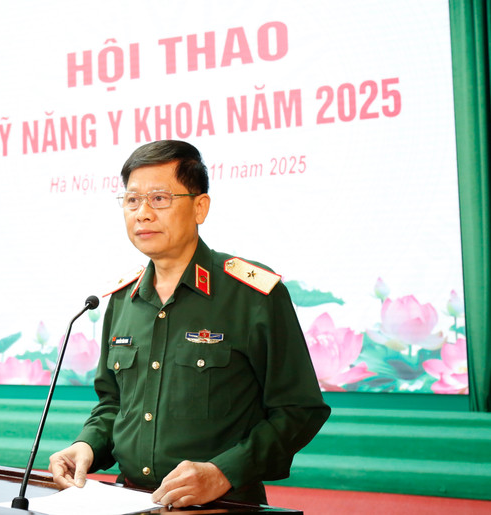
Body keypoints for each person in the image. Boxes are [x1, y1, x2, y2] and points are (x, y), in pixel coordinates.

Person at [48, 140, 330, 507]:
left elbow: (299, 411)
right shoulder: (122, 300)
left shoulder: (253, 295)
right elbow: (113, 404)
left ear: (200, 207)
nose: (142, 213)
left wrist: (224, 472)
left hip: (223, 506)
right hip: (130, 501)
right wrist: (85, 446)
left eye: (160, 198)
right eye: (132, 200)